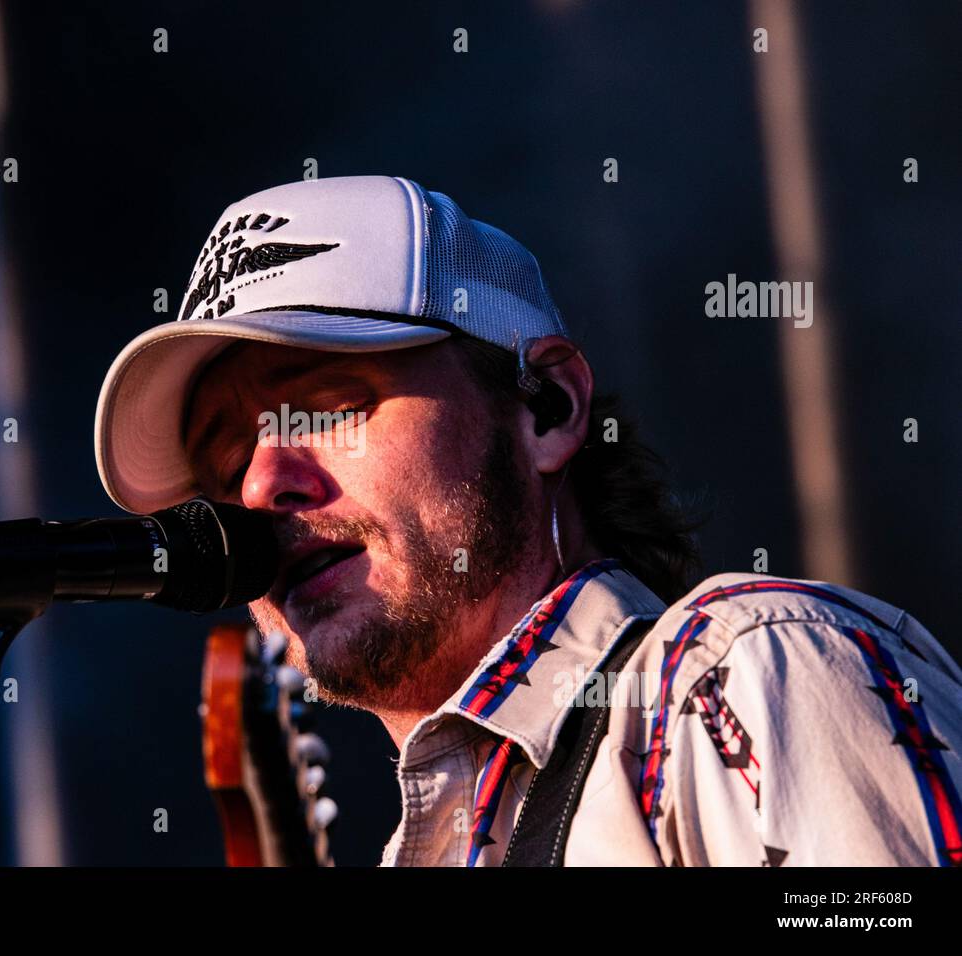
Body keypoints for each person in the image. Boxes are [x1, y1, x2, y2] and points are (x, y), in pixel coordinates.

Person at [93, 175, 962, 866]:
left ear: (546, 407)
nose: (258, 488)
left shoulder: (741, 677)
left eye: (323, 410)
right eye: (225, 464)